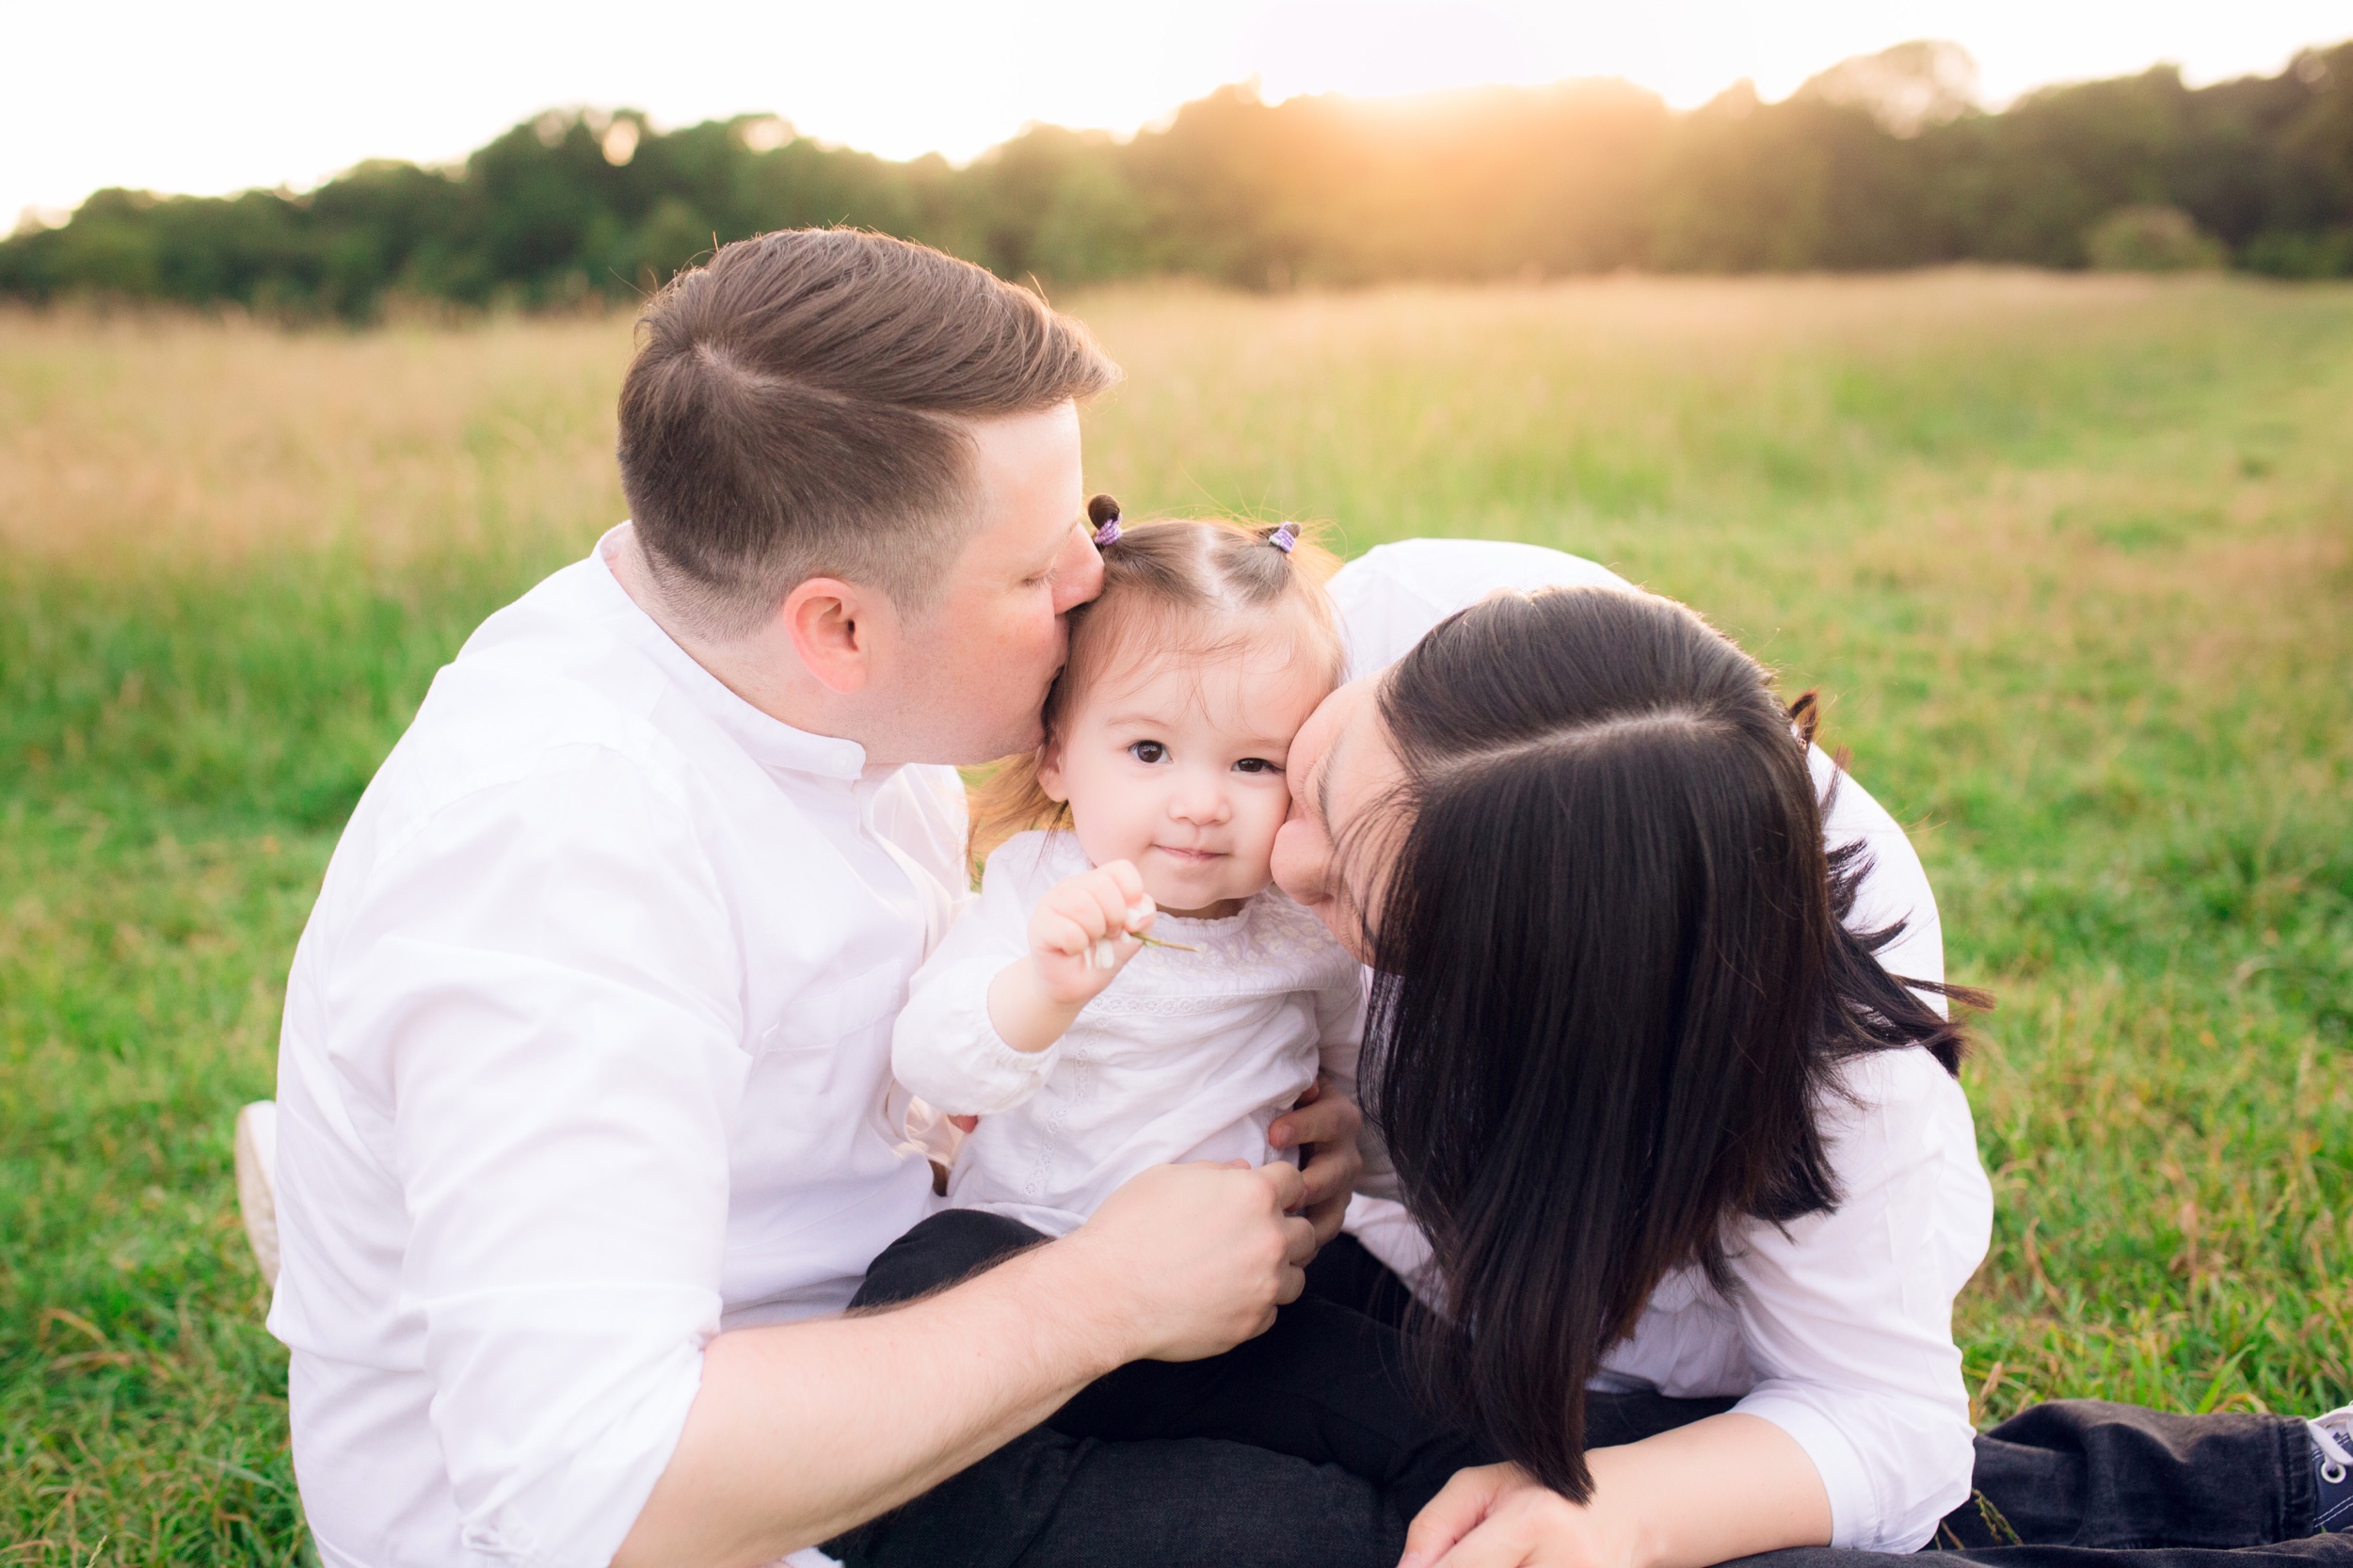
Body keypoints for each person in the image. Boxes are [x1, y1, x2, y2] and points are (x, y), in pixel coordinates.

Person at [264, 231, 1370, 1568]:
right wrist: (1112, 1287)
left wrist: (1159, 1133)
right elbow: (592, 1497)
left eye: (1094, 519)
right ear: (838, 627)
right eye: (1040, 571)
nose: (1099, 579)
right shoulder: (557, 844)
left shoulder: (810, 682)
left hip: (902, 1325)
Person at [1267, 541, 2353, 1568]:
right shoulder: (1370, 622)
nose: (1277, 855)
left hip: (1667, 1348)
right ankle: (2296, 1475)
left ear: (1550, 1002)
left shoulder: (1814, 1064)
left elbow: (1884, 1421)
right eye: (1307, 776)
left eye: (1345, 899)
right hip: (1421, 1275)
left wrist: (1626, 1509)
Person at [852, 512, 1489, 1535]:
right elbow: (937, 1065)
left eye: (1253, 765)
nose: (1200, 803)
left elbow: (1354, 1090)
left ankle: (1480, 1494)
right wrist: (1045, 992)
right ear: (1057, 756)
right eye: (1149, 749)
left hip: (1247, 1292)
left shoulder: (1300, 927)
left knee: (1441, 1403)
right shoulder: (1040, 892)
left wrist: (1349, 1156)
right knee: (924, 1273)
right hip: (1040, 1280)